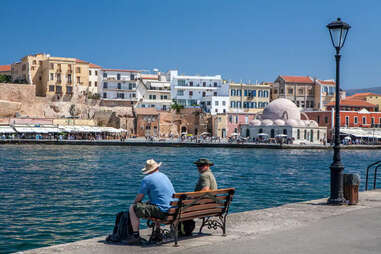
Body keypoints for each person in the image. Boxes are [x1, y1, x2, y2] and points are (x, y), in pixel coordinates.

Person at [127, 159, 175, 244]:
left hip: (163, 212)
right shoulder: (164, 176)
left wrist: (135, 204)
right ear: (157, 168)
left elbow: (139, 199)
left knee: (132, 208)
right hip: (173, 209)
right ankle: (157, 230)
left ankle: (136, 236)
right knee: (153, 204)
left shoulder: (147, 179)